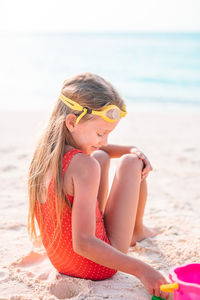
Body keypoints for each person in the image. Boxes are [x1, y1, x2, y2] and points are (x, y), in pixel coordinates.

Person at [28, 72, 168, 298]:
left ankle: (137, 228)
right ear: (72, 122)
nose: (105, 141)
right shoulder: (84, 166)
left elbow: (102, 150)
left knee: (101, 157)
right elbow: (83, 242)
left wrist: (128, 147)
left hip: (62, 262)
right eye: (101, 133)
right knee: (132, 163)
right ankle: (137, 230)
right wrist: (142, 270)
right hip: (96, 266)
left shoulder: (45, 155)